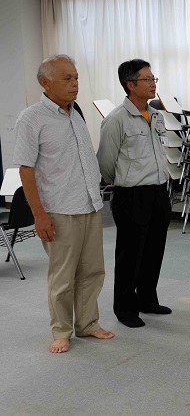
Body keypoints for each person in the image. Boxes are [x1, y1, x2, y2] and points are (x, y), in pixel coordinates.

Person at [14, 54, 115, 353]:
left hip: (89, 204)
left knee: (92, 270)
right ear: (45, 83)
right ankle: (61, 330)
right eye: (67, 79)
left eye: (76, 78)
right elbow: (25, 169)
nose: (75, 84)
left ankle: (87, 324)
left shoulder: (77, 112)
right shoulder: (32, 118)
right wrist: (39, 215)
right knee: (63, 276)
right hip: (59, 209)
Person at [97, 59, 171, 328]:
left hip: (159, 191)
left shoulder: (157, 115)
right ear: (131, 85)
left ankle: (147, 299)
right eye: (147, 80)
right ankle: (125, 308)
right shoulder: (116, 119)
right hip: (131, 195)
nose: (153, 84)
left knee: (154, 249)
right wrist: (122, 183)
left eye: (154, 79)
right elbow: (105, 161)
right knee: (130, 254)